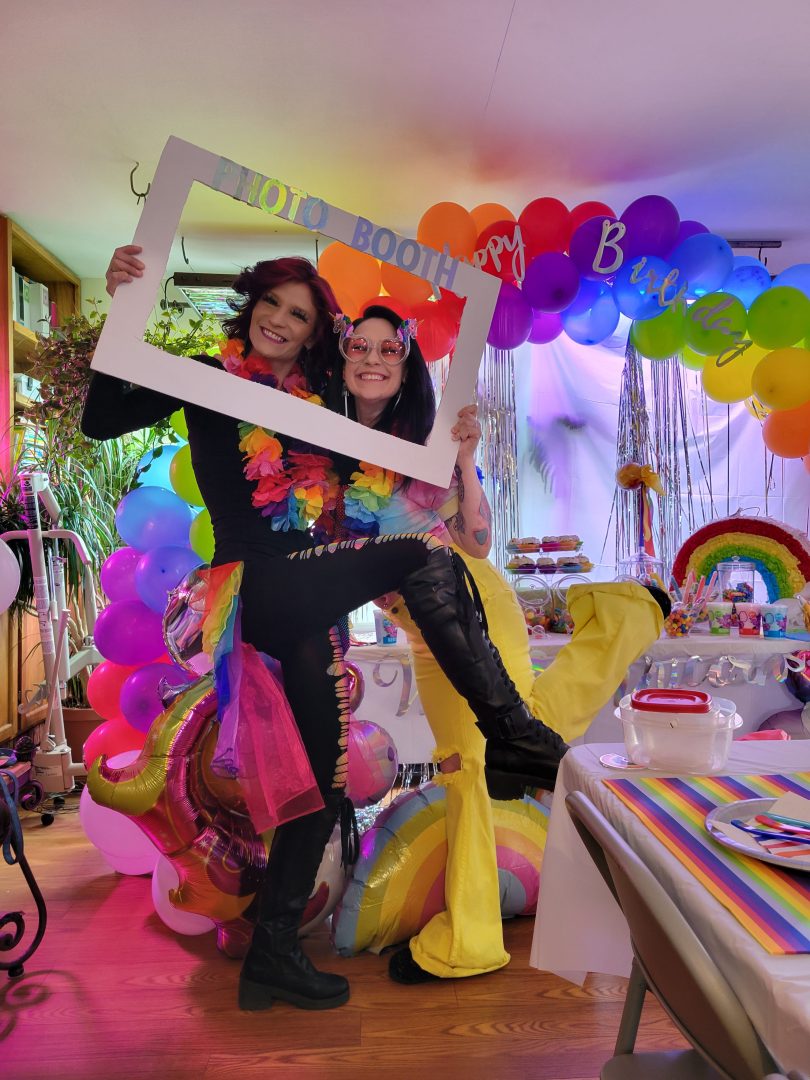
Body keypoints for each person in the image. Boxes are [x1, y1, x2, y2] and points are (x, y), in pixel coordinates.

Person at [82, 247, 569, 1013]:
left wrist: (457, 449)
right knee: (418, 557)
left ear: (314, 335)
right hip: (252, 585)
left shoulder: (317, 409)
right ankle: (509, 729)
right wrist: (122, 309)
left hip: (303, 591)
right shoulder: (210, 378)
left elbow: (386, 437)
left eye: (299, 314)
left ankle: (271, 953)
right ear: (250, 310)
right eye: (270, 304)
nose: (280, 319)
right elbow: (101, 418)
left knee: (321, 770)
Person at [325, 305, 667, 984]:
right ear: (342, 357)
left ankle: (471, 939)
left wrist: (467, 458)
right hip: (418, 626)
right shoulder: (322, 447)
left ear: (404, 362)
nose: (372, 359)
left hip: (476, 599)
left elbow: (477, 543)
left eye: (388, 350)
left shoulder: (423, 438)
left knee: (466, 764)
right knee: (514, 728)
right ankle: (629, 619)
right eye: (359, 346)